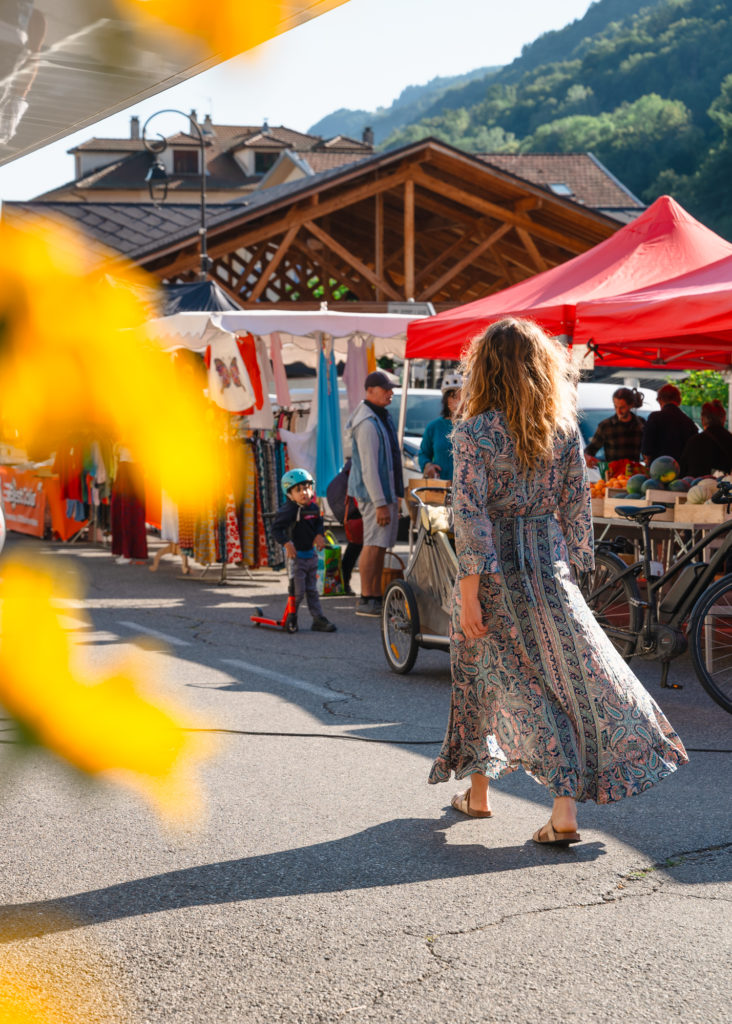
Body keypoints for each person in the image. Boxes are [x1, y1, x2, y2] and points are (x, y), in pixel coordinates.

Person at [429, 318, 687, 845]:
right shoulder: (562, 429)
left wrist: (471, 591)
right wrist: (577, 569)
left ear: (484, 367)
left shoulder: (473, 430)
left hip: (495, 571)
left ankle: (559, 805)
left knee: (495, 677)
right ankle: (480, 796)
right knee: (570, 675)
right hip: (549, 566)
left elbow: (470, 514)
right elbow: (576, 508)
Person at [345, 369, 404, 618]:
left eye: (391, 388)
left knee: (379, 545)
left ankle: (375, 596)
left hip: (381, 494)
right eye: (386, 388)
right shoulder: (367, 423)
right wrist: (380, 503)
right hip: (372, 496)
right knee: (372, 544)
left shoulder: (378, 416)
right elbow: (369, 468)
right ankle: (367, 597)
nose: (391, 393)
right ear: (370, 391)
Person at [272, 468, 336, 633]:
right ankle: (291, 618)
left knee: (312, 591)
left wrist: (319, 535)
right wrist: (287, 543)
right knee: (298, 591)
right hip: (296, 558)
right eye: (298, 490)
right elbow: (276, 529)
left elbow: (318, 524)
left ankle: (318, 619)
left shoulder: (314, 508)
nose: (304, 492)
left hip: (311, 556)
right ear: (289, 494)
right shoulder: (289, 510)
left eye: (307, 488)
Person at [326, 458, 362, 596]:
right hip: (352, 507)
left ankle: (342, 581)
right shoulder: (359, 460)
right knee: (357, 545)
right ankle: (343, 582)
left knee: (356, 545)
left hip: (348, 506)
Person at [583, 387, 645, 468]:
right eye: (616, 407)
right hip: (613, 476)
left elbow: (648, 450)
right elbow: (590, 449)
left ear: (631, 405)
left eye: (622, 407)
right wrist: (587, 457)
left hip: (635, 475)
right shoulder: (606, 426)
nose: (618, 411)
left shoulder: (641, 424)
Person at [419, 372, 463, 480]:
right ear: (446, 400)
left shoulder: (474, 427)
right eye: (454, 397)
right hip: (440, 489)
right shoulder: (434, 427)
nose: (459, 402)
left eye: (463, 397)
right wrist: (427, 465)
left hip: (466, 491)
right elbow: (423, 453)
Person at [641, 383, 698, 465]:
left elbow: (646, 449)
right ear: (679, 400)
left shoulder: (655, 417)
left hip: (659, 470)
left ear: (660, 400)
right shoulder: (689, 423)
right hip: (682, 472)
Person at [680, 400, 732, 477]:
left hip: (697, 486)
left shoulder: (695, 441)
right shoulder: (730, 439)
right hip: (725, 487)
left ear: (702, 419)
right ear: (724, 418)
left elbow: (683, 470)